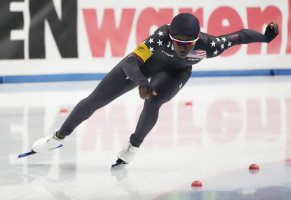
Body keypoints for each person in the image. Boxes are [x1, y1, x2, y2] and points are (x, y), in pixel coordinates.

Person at [31, 13, 279, 167]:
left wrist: (265, 39)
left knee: (154, 101)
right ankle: (58, 137)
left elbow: (240, 35)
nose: (183, 48)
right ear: (170, 37)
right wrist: (141, 81)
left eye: (188, 44)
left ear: (197, 40)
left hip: (176, 73)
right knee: (96, 99)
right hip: (144, 66)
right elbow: (130, 61)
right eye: (178, 43)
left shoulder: (211, 45)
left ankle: (133, 147)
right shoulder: (160, 37)